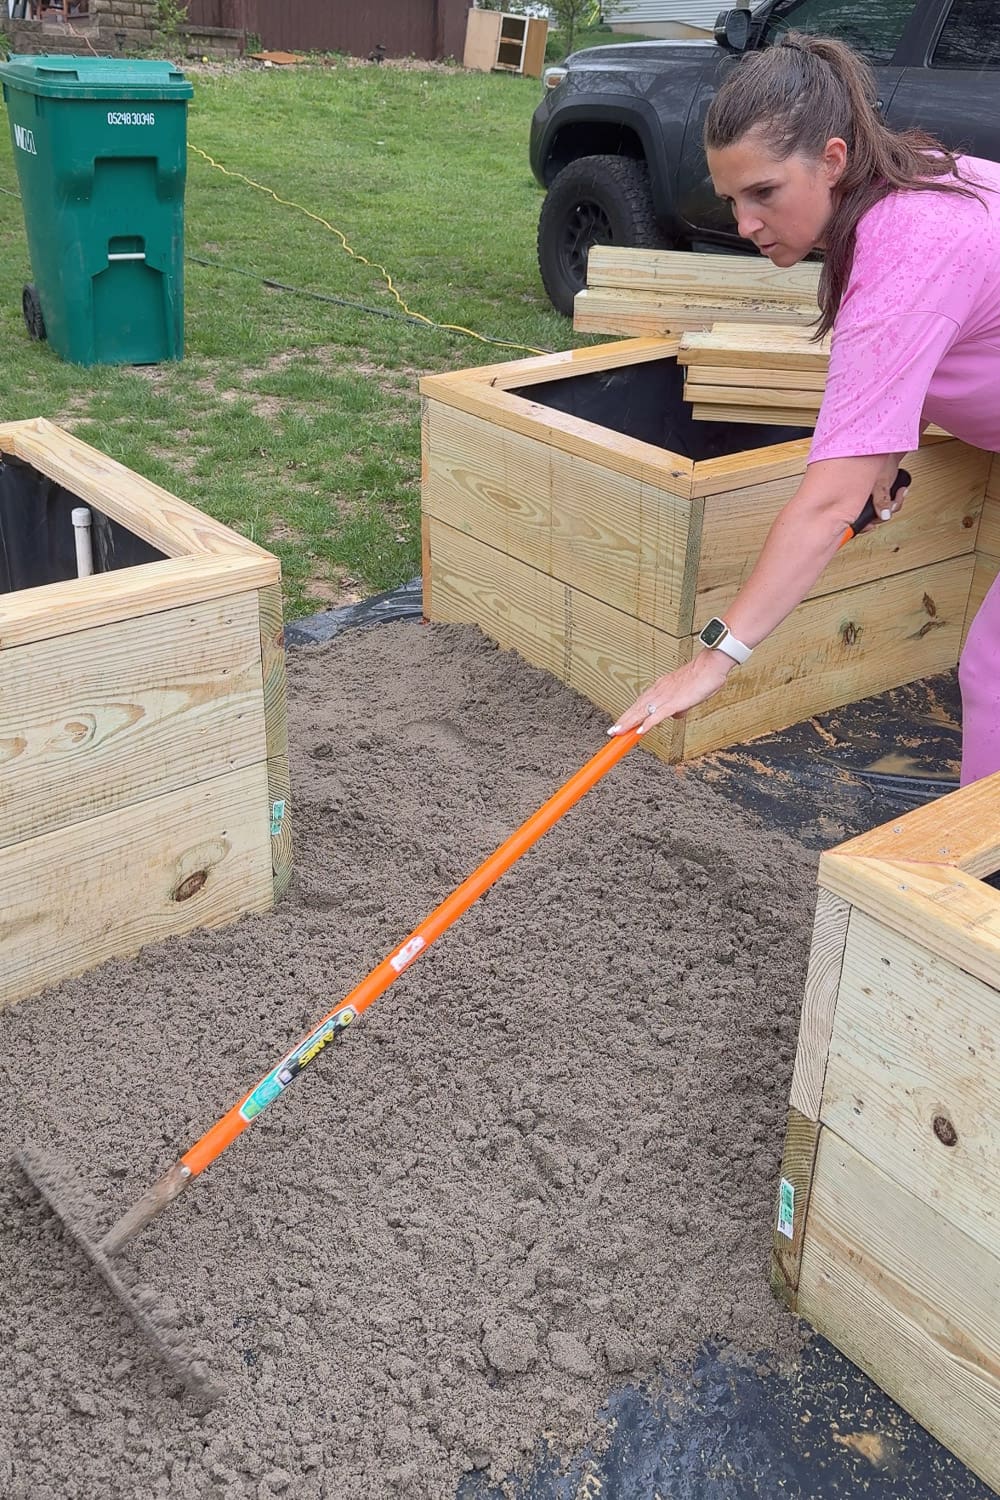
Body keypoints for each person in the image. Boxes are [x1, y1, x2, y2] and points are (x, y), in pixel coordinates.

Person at [608, 32, 1000, 788]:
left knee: (995, 671)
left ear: (832, 158)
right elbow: (954, 327)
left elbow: (826, 507)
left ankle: (978, 862)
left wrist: (712, 661)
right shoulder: (908, 184)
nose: (745, 224)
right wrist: (889, 446)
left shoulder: (907, 250)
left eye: (764, 193)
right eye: (732, 199)